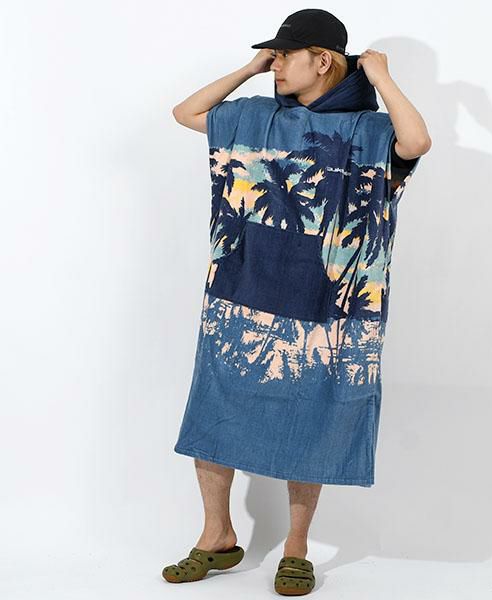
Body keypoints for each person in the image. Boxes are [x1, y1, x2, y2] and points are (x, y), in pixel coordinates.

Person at [163, 8, 431, 595]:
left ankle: (296, 547)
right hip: (241, 291)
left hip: (326, 307)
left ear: (324, 60)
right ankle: (217, 535)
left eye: (286, 54)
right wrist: (251, 67)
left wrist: (381, 77)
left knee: (312, 416)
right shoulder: (255, 118)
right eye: (275, 55)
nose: (276, 64)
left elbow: (416, 141)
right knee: (215, 406)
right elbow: (187, 113)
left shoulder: (367, 131)